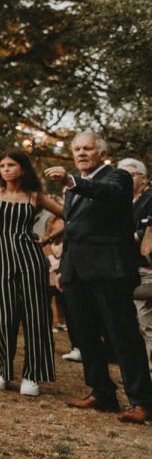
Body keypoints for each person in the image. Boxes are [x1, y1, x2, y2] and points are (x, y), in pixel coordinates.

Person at [46, 132, 152, 422]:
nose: (81, 153)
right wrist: (63, 268)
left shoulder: (118, 177)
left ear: (102, 154)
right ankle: (102, 393)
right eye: (77, 149)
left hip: (109, 270)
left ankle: (143, 401)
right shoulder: (74, 187)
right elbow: (72, 227)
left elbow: (109, 194)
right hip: (76, 271)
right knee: (85, 335)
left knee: (123, 336)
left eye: (87, 148)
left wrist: (72, 181)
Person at [0, 150, 63, 397]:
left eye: (11, 165)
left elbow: (69, 215)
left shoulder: (35, 195)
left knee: (35, 318)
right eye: (2, 165)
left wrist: (48, 238)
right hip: (4, 263)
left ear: (23, 169)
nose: (5, 169)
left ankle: (32, 375)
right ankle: (4, 372)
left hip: (31, 261)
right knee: (6, 318)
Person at [118, 158, 152, 371]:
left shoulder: (149, 199)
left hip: (147, 269)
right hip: (128, 269)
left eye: (131, 175)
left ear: (143, 177)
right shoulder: (122, 202)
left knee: (147, 325)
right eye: (121, 175)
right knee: (138, 325)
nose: (125, 179)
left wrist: (128, 236)